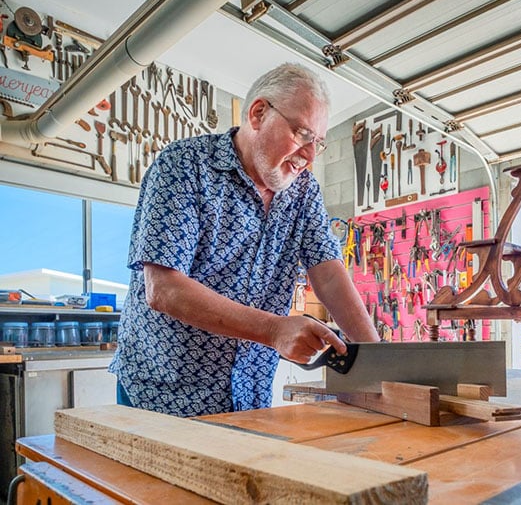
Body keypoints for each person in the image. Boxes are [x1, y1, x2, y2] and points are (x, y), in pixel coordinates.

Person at [109, 63, 380, 417]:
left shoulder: (303, 191)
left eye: (318, 143)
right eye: (301, 134)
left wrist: (377, 359)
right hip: (163, 394)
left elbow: (327, 272)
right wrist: (274, 330)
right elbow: (164, 289)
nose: (310, 155)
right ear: (258, 114)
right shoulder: (183, 166)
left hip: (248, 394)